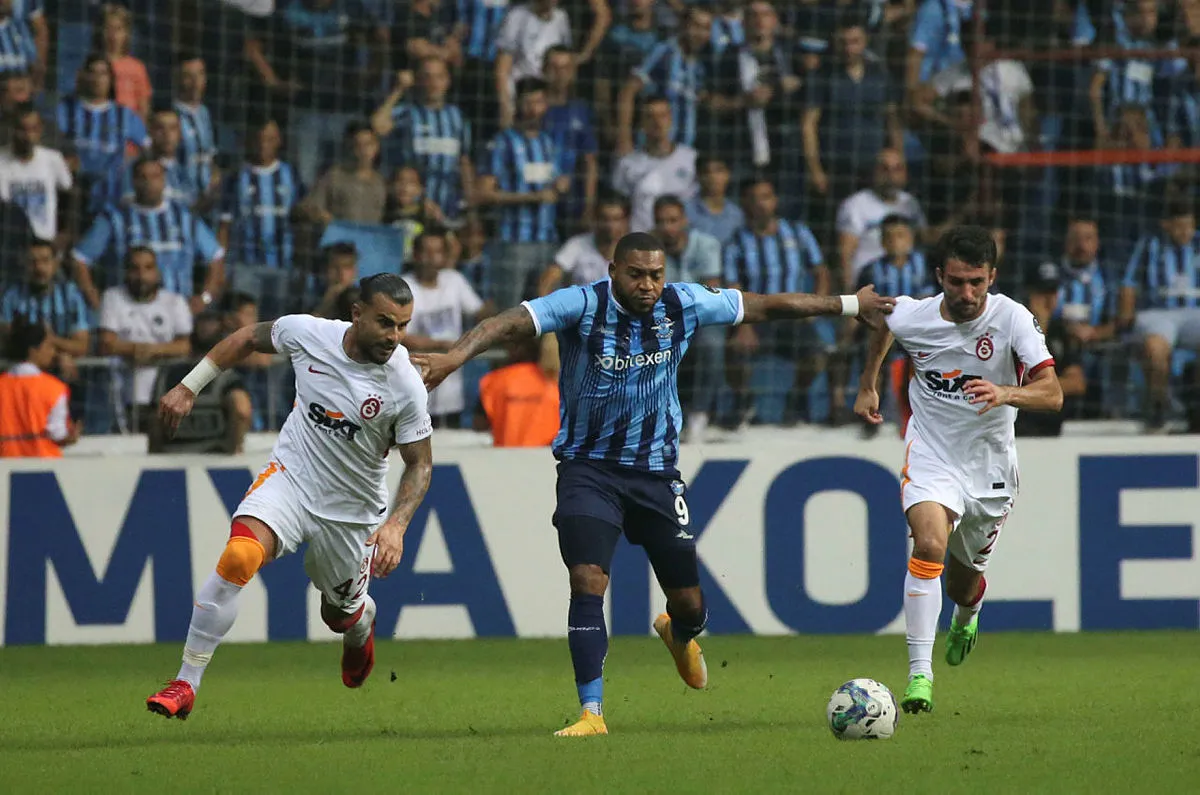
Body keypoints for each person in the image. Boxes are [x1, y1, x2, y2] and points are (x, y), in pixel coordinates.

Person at [414, 231, 894, 736]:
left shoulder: (682, 303)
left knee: (690, 605)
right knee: (587, 579)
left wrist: (847, 303)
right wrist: (453, 358)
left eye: (656, 275)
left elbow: (765, 306)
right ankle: (591, 713)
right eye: (636, 274)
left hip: (655, 475)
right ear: (613, 269)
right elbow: (507, 322)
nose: (647, 285)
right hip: (588, 469)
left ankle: (679, 633)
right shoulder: (581, 304)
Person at [145, 273, 435, 720]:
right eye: (385, 323)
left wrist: (396, 525)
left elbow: (420, 463)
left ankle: (360, 626)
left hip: (352, 513)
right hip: (291, 481)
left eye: (402, 325)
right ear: (356, 315)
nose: (395, 337)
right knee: (239, 558)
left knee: (338, 616)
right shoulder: (309, 334)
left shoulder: (405, 386)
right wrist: (189, 385)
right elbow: (246, 338)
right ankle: (185, 682)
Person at [853, 225, 1063, 716]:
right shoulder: (915, 314)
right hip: (932, 453)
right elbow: (886, 324)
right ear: (939, 276)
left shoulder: (1014, 320)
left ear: (992, 276)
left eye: (976, 282)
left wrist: (1007, 393)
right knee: (929, 545)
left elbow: (1052, 394)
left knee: (962, 584)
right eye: (956, 282)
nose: (967, 294)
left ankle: (967, 615)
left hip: (989, 465)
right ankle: (919, 675)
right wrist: (868, 384)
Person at [0, 316, 81, 458]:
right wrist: (71, 437)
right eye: (48, 346)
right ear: (33, 351)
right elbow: (57, 434)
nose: (53, 353)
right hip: (42, 463)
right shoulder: (54, 388)